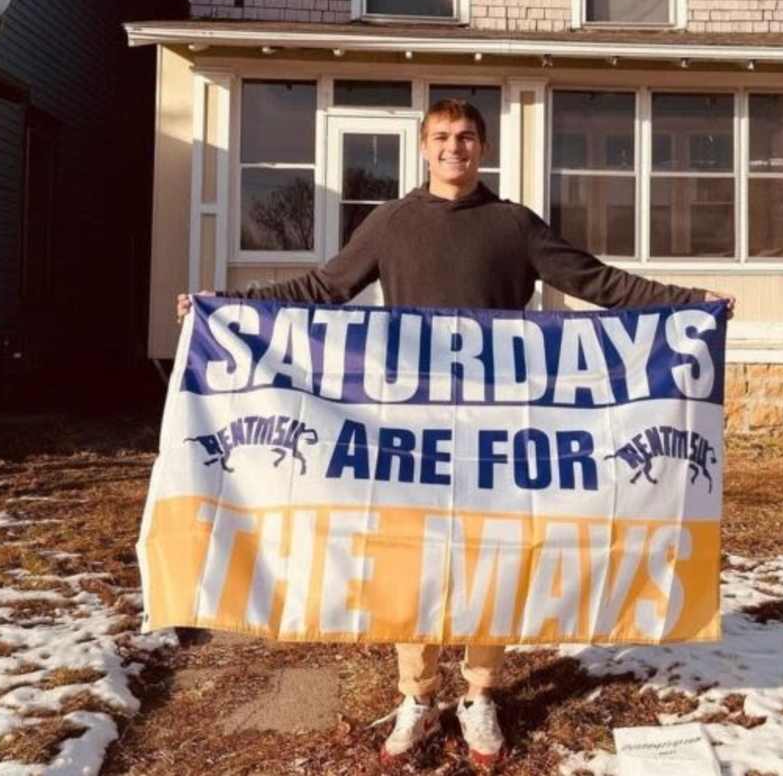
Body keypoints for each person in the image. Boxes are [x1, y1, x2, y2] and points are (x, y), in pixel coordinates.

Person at [177, 98, 734, 766]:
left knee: (491, 560)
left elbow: (599, 282)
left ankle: (480, 694)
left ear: (483, 148)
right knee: (412, 560)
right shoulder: (390, 223)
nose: (453, 148)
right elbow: (325, 288)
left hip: (498, 430)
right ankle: (418, 695)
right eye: (441, 138)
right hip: (411, 431)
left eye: (465, 138)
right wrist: (228, 308)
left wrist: (690, 304)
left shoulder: (514, 226)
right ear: (423, 147)